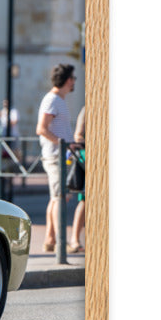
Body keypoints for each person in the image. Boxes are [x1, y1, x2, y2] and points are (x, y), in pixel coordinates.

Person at [36, 63, 77, 252]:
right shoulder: (52, 100)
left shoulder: (58, 100)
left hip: (61, 155)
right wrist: (62, 143)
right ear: (68, 80)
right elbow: (41, 128)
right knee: (60, 197)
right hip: (55, 157)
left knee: (56, 198)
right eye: (74, 78)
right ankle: (61, 242)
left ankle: (50, 240)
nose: (75, 81)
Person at [69, 106, 86, 254]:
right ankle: (74, 238)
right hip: (90, 157)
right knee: (86, 200)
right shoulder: (88, 109)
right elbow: (78, 136)